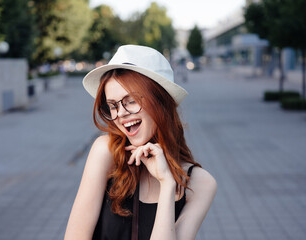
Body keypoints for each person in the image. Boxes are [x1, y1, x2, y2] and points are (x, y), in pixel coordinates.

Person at [64, 45, 217, 240]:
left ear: (161, 100)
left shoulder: (200, 183)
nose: (120, 114)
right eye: (112, 106)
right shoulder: (106, 152)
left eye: (131, 100)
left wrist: (167, 184)